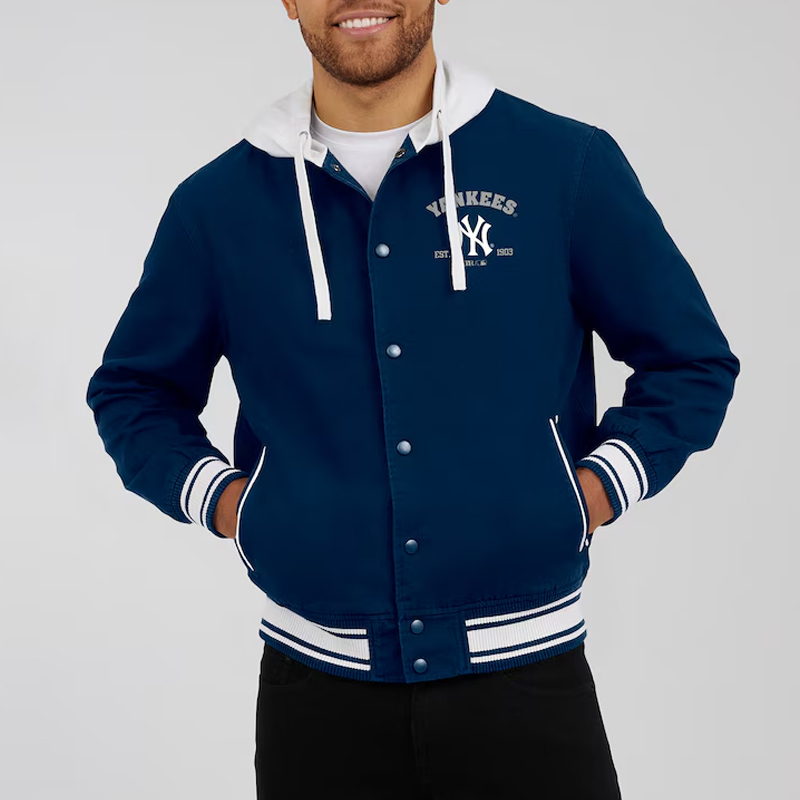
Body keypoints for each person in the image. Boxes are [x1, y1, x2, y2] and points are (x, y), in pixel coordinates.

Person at [85, 1, 740, 797]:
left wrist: (590, 491)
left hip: (529, 687)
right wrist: (231, 505)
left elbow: (689, 361)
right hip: (314, 702)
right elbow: (135, 389)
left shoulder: (562, 165)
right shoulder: (217, 207)